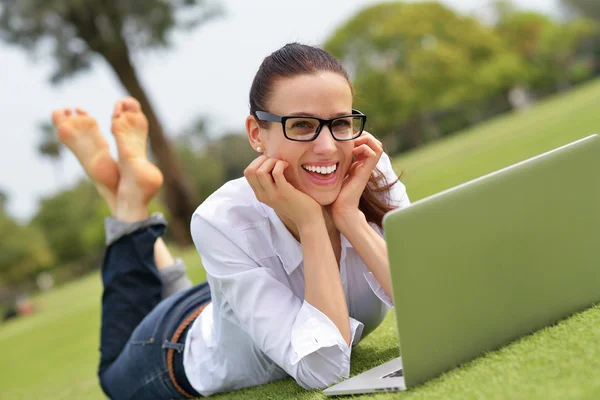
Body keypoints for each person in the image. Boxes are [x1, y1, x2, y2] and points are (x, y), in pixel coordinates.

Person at [51, 43, 410, 400]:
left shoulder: (368, 171)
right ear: (256, 133)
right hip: (177, 344)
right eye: (301, 125)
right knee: (112, 375)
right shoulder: (222, 218)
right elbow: (325, 370)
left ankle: (121, 194)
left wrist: (350, 218)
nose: (329, 147)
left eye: (341, 123)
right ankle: (126, 203)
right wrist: (311, 224)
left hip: (229, 299)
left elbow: (430, 300)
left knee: (217, 299)